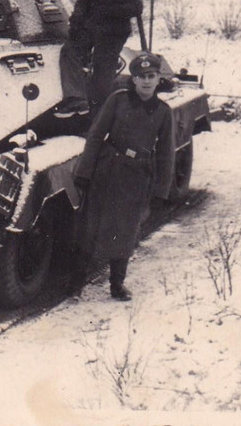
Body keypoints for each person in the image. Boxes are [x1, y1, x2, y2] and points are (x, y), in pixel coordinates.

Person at [71, 53, 175, 300]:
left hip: (137, 177)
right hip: (107, 172)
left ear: (159, 79)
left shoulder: (163, 112)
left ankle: (117, 285)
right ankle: (75, 283)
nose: (147, 82)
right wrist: (84, 172)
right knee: (91, 228)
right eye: (141, 77)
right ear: (134, 79)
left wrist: (161, 191)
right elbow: (96, 136)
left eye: (151, 76)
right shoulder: (118, 100)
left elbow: (165, 154)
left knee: (126, 231)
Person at [54, 0, 143, 118]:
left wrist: (108, 11)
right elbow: (83, 1)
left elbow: (136, 7)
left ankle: (101, 117)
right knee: (69, 51)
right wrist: (76, 22)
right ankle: (76, 99)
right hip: (92, 26)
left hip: (114, 30)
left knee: (102, 69)